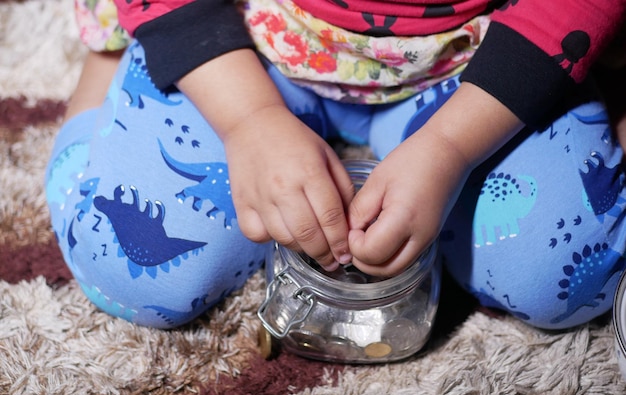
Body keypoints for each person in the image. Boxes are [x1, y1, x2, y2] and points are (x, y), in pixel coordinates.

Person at [46, 0, 626, 330]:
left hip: (476, 66)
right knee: (135, 275)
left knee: (568, 280)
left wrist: (450, 147)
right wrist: (247, 117)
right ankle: (103, 67)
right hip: (240, 46)